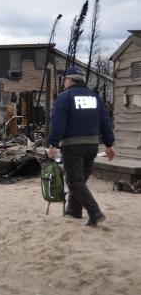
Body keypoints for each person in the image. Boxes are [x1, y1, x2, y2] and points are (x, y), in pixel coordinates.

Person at [47, 67, 116, 227]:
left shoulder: (65, 96)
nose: (64, 83)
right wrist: (109, 144)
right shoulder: (94, 97)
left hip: (73, 145)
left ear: (69, 80)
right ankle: (74, 210)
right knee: (80, 180)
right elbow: (105, 120)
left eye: (65, 80)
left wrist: (53, 144)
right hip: (92, 145)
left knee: (74, 181)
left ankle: (94, 212)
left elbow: (58, 122)